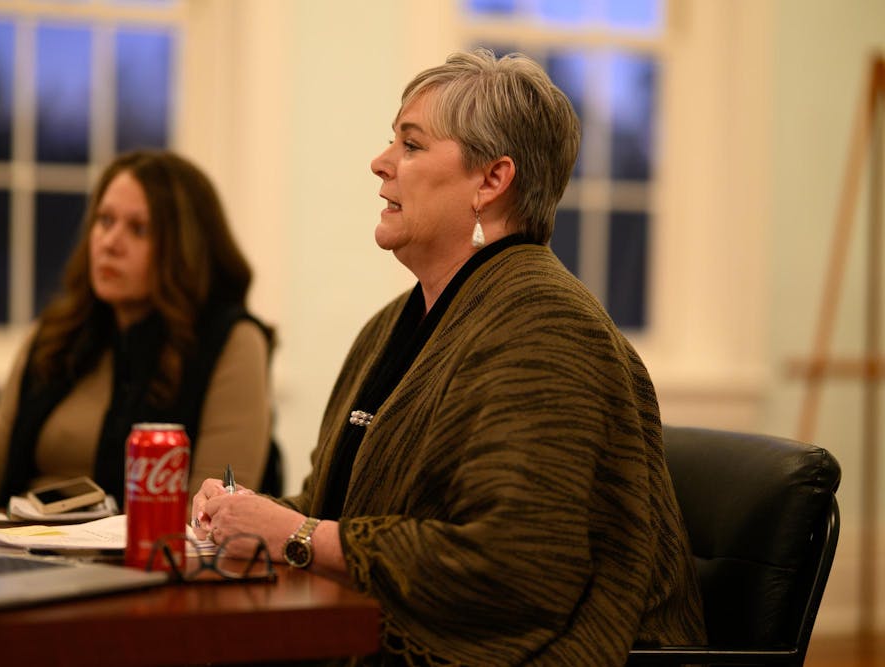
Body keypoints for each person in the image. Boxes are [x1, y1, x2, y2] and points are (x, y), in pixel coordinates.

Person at [192, 49, 705, 665]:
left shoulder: (548, 328)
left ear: (492, 181)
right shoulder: (393, 327)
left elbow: (513, 568)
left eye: (411, 146)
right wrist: (249, 514)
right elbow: (335, 513)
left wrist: (297, 537)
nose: (380, 164)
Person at [0, 149, 273, 511]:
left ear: (185, 249)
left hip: (147, 560)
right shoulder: (55, 334)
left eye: (139, 229)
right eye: (104, 220)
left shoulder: (231, 342)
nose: (109, 242)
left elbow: (214, 519)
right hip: (18, 550)